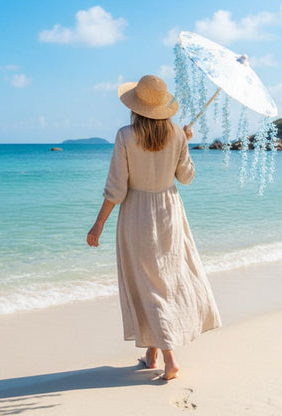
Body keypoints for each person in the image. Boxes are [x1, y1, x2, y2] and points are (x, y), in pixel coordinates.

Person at [87, 75, 221, 380]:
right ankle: (152, 354)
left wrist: (98, 224)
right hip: (169, 212)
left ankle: (170, 358)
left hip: (137, 213)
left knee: (148, 286)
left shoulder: (124, 136)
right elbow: (186, 178)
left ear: (136, 106)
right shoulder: (176, 134)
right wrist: (183, 144)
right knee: (165, 280)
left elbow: (116, 189)